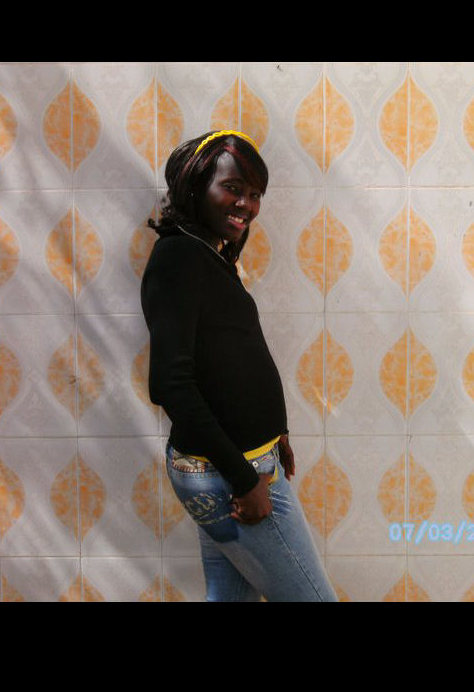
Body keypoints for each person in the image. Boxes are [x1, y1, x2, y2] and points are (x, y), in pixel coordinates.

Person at [140, 130, 338, 602]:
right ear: (195, 185)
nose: (246, 205)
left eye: (255, 195)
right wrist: (245, 480)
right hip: (229, 472)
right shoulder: (178, 257)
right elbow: (169, 383)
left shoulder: (206, 255)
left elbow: (232, 356)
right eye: (233, 188)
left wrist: (275, 430)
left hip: (242, 462)